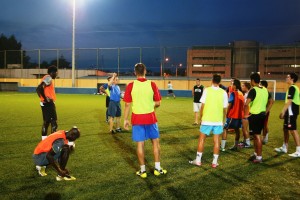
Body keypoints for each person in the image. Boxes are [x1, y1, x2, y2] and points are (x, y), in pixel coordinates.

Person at [123, 63, 167, 178]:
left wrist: (125, 119)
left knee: (140, 144)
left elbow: (127, 104)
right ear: (145, 71)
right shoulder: (152, 84)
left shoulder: (131, 86)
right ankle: (157, 169)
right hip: (151, 118)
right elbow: (158, 103)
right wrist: (150, 106)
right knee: (155, 143)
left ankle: (143, 171)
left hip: (137, 119)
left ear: (135, 72)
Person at [189, 74, 228, 168]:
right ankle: (214, 162)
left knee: (201, 139)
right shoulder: (224, 92)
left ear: (212, 80)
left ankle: (198, 160)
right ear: (220, 81)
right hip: (218, 121)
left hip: (207, 120)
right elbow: (225, 109)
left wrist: (201, 117)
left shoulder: (207, 90)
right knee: (216, 141)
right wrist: (223, 120)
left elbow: (202, 106)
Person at [244, 72, 272, 163]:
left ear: (252, 80)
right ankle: (256, 153)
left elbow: (246, 103)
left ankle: (259, 157)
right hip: (262, 115)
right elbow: (272, 101)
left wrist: (245, 114)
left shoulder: (253, 90)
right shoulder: (265, 89)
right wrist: (266, 111)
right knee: (256, 135)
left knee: (257, 136)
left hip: (254, 116)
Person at [275, 73, 300, 157]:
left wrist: (283, 111)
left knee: (293, 130)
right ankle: (284, 147)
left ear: (292, 79)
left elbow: (289, 101)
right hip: (290, 111)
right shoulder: (292, 88)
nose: (286, 78)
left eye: (288, 77)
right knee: (285, 128)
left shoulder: (292, 88)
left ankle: (298, 150)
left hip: (291, 111)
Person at [221, 79, 244, 151]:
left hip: (232, 115)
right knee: (237, 130)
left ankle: (222, 147)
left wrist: (227, 114)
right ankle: (235, 146)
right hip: (239, 116)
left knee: (225, 129)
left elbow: (230, 105)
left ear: (235, 85)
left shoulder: (233, 93)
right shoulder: (241, 93)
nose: (231, 85)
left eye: (232, 84)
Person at [36, 65, 58, 140]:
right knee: (53, 122)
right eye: (56, 73)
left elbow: (38, 89)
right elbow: (40, 88)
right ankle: (53, 140)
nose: (56, 74)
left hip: (45, 104)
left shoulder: (45, 77)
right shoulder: (48, 77)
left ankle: (44, 140)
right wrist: (45, 98)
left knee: (46, 122)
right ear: (53, 72)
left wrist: (43, 98)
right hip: (48, 104)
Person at [260, 80, 274, 144]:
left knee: (264, 125)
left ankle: (264, 138)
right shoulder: (262, 92)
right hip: (260, 111)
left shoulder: (266, 92)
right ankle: (265, 137)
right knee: (263, 124)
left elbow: (271, 101)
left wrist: (266, 111)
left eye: (260, 84)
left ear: (263, 85)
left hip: (264, 111)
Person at [239, 81, 252, 148]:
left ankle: (248, 142)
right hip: (245, 113)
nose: (241, 87)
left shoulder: (248, 95)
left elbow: (247, 105)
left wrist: (246, 114)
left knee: (244, 129)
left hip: (246, 114)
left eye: (243, 86)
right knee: (244, 128)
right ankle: (244, 141)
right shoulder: (246, 94)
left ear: (246, 87)